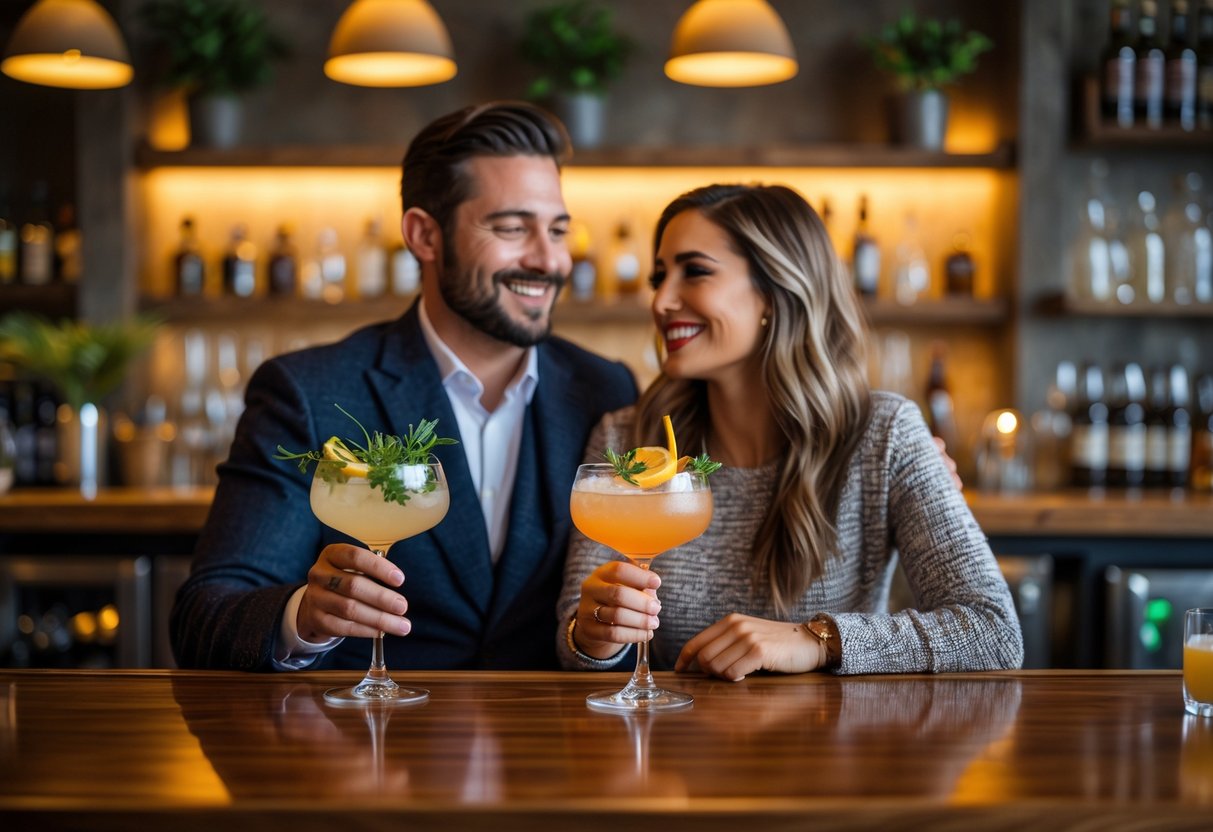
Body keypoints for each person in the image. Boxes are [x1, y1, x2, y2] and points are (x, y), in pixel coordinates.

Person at [171, 101, 638, 671]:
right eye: (513, 228)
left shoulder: (604, 389)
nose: (549, 259)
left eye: (559, 230)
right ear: (424, 235)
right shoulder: (309, 391)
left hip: (547, 749)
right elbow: (205, 613)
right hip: (370, 746)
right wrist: (304, 616)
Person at [558, 183, 1023, 678]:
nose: (662, 301)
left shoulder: (884, 435)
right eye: (659, 276)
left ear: (776, 293)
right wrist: (591, 635)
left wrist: (817, 640)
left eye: (694, 271)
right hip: (669, 747)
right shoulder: (628, 439)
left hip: (832, 746)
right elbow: (573, 646)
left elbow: (993, 633)